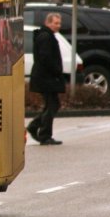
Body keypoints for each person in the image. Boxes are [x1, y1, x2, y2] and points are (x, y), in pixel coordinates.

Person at [27, 12, 64, 145]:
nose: (58, 26)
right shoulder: (46, 37)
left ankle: (37, 128)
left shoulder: (47, 36)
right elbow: (46, 58)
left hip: (45, 77)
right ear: (48, 23)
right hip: (46, 78)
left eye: (59, 23)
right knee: (53, 105)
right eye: (55, 23)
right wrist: (56, 70)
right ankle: (43, 134)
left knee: (52, 105)